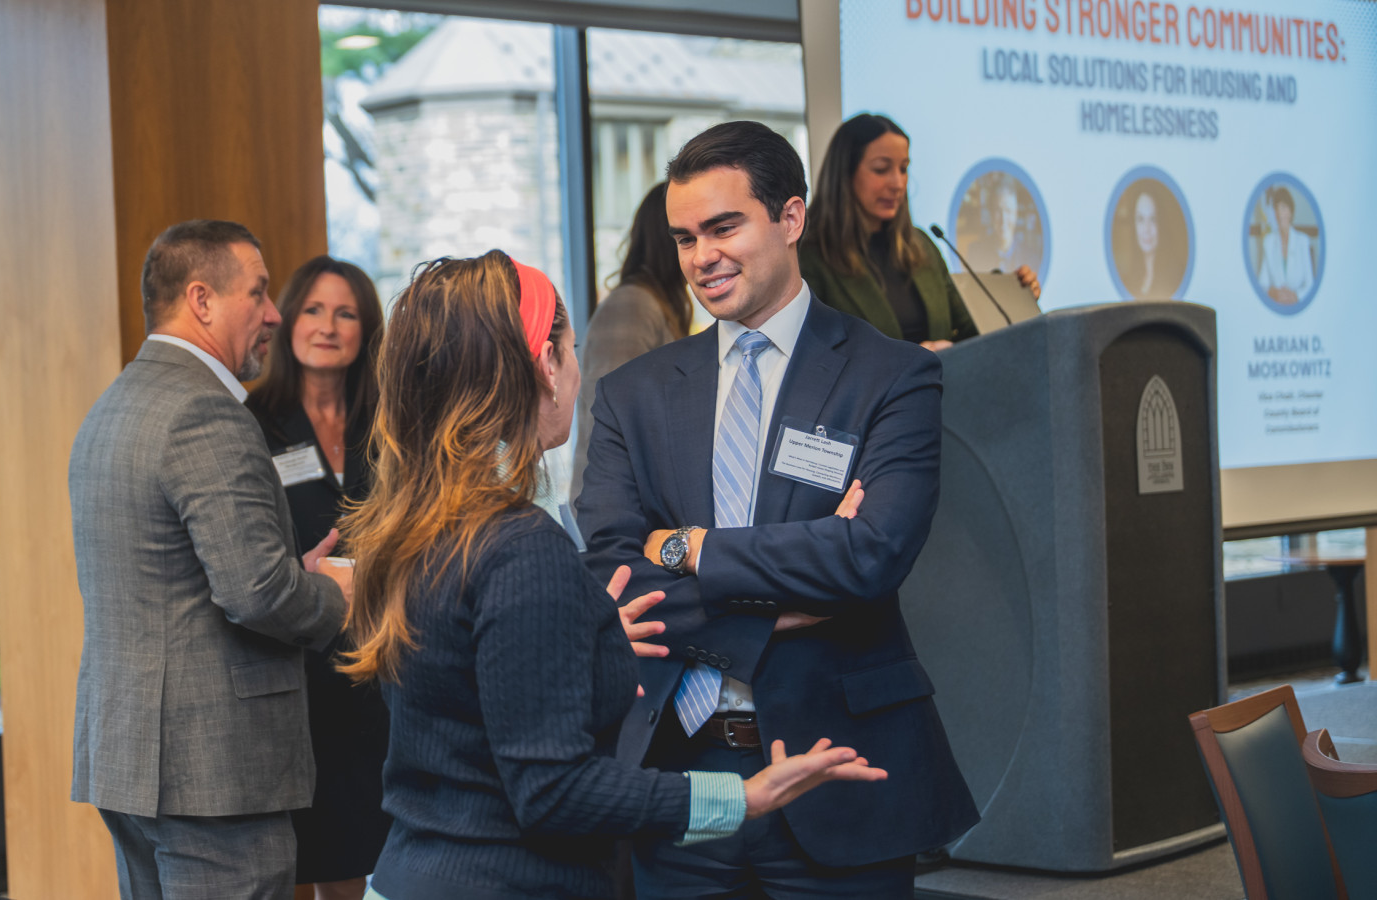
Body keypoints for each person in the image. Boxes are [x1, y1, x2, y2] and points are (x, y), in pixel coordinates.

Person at [341, 249, 888, 900]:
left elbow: (472, 702)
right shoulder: (520, 549)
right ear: (546, 366)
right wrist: (741, 797)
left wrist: (588, 644)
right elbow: (553, 791)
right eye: (571, 349)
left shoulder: (416, 531)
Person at [578, 121, 979, 898]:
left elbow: (870, 556)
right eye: (686, 236)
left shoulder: (890, 378)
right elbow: (614, 568)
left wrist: (685, 547)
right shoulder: (635, 395)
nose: (702, 256)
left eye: (725, 226)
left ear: (790, 218)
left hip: (840, 762)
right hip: (681, 773)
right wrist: (784, 601)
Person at [69, 220, 356, 900]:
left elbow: (178, 580)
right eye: (257, 294)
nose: (273, 314)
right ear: (201, 300)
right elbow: (257, 594)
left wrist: (295, 573)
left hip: (132, 761)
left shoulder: (112, 408)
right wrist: (339, 592)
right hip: (213, 773)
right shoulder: (207, 412)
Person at [245, 256, 391, 900]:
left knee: (356, 845)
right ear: (287, 320)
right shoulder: (253, 422)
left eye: (346, 312)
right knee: (297, 852)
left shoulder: (387, 424)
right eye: (313, 309)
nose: (327, 326)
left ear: (366, 330)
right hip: (290, 665)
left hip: (373, 665)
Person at [799, 114, 1039, 351]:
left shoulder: (921, 245)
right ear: (845, 174)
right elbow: (816, 358)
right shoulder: (810, 257)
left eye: (903, 169)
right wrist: (911, 361)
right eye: (882, 169)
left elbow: (970, 331)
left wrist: (1013, 298)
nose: (898, 183)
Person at [570, 181, 694, 501]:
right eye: (688, 237)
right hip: (614, 505)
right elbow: (616, 422)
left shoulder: (656, 302)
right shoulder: (632, 306)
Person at [1259, 186, 1313, 305]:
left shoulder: (1303, 241)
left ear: (1290, 211)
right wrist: (1273, 292)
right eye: (1276, 208)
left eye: (1283, 208)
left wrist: (1295, 296)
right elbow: (1263, 283)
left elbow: (1310, 284)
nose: (1279, 213)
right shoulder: (1268, 242)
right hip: (1274, 307)